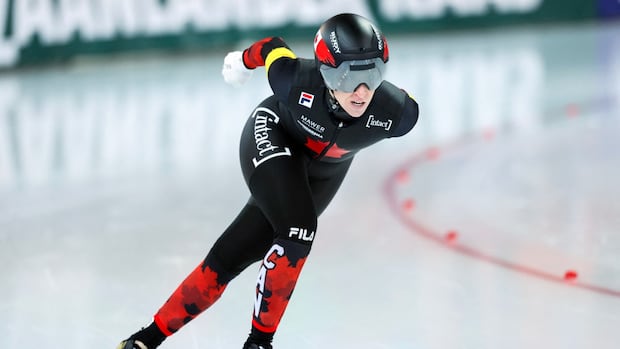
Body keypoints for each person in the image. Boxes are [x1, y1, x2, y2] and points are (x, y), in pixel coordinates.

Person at [116, 12, 419, 349]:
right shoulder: (296, 80)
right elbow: (273, 47)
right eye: (349, 77)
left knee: (231, 256)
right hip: (273, 134)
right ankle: (259, 344)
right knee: (298, 227)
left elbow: (401, 102)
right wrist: (242, 62)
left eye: (374, 73)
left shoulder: (397, 112)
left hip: (323, 174)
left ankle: (143, 341)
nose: (362, 91)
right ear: (327, 71)